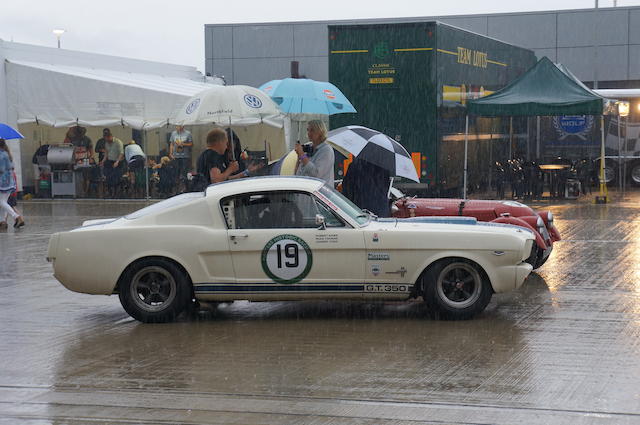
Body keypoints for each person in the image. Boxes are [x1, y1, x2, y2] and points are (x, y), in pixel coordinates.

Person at [294, 120, 335, 186]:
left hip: (319, 193)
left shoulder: (326, 150)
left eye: (312, 130)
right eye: (308, 130)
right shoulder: (309, 148)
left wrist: (302, 155)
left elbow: (316, 174)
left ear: (320, 132)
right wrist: (299, 157)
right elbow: (298, 174)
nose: (309, 133)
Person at [0, 139, 24, 228]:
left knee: (1, 201)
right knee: (3, 202)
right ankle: (2, 221)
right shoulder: (6, 153)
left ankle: (16, 217)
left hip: (3, 182)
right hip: (9, 181)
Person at [99, 129, 124, 198]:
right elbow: (106, 153)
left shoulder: (118, 142)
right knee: (108, 177)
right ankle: (110, 192)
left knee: (116, 177)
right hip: (110, 161)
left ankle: (116, 192)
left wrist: (117, 161)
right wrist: (103, 161)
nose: (106, 140)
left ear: (110, 137)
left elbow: (121, 153)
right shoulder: (106, 143)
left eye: (107, 138)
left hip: (118, 161)